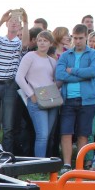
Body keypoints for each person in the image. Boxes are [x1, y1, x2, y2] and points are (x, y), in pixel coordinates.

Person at [0, 9, 31, 154]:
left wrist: (26, 21)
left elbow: (25, 44)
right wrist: (1, 20)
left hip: (10, 85)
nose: (14, 23)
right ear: (7, 24)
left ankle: (6, 158)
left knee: (8, 126)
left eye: (17, 22)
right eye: (11, 21)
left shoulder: (18, 43)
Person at [55, 24, 95, 172]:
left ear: (86, 37)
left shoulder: (93, 54)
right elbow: (60, 75)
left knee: (83, 133)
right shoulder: (65, 55)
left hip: (87, 100)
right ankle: (67, 164)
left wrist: (73, 71)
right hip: (68, 99)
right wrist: (81, 76)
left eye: (81, 38)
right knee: (66, 132)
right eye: (75, 38)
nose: (78, 41)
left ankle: (80, 166)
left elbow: (93, 72)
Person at [15, 30, 59, 158]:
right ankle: (40, 164)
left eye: (45, 41)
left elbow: (54, 80)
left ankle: (45, 161)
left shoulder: (52, 61)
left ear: (50, 43)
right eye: (40, 40)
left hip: (51, 99)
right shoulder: (30, 56)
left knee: (48, 135)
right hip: (35, 99)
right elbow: (19, 77)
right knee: (42, 135)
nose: (42, 43)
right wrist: (31, 95)